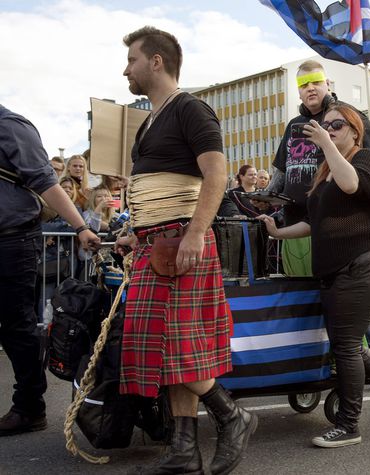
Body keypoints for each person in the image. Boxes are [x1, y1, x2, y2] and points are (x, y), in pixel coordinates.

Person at [115, 26, 256, 474]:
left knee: (174, 348)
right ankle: (183, 449)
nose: (126, 70)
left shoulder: (191, 109)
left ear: (156, 61)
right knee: (174, 353)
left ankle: (233, 417)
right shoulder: (150, 122)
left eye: (132, 60)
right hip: (155, 244)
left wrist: (196, 233)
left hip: (181, 241)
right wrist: (135, 231)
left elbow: (217, 173)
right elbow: (154, 186)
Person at [258, 103, 370, 448]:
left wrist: (327, 145)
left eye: (336, 125)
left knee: (346, 346)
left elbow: (350, 186)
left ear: (354, 131)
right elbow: (314, 222)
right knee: (347, 345)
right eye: (325, 125)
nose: (328, 129)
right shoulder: (324, 169)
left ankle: (350, 425)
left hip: (361, 265)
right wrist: (277, 232)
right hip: (335, 269)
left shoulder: (364, 161)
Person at [0, 104, 100, 436]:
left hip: (13, 240)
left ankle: (29, 406)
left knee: (17, 325)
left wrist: (80, 227)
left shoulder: (11, 125)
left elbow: (47, 183)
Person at [267, 59, 370, 276]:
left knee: (326, 297)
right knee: (299, 299)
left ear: (328, 84)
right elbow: (282, 170)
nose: (310, 88)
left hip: (331, 227)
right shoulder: (294, 123)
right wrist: (266, 197)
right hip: (294, 224)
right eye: (304, 85)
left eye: (315, 82)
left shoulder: (344, 116)